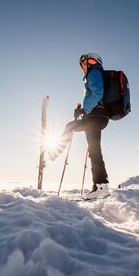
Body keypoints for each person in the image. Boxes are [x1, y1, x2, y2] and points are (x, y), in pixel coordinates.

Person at [50, 53, 110, 200]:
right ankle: (101, 186)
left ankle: (53, 152)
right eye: (82, 65)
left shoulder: (94, 72)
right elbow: (96, 96)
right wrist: (85, 111)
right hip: (98, 118)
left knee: (70, 126)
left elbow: (98, 93)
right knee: (95, 151)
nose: (83, 67)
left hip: (96, 118)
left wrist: (84, 110)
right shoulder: (96, 73)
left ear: (91, 62)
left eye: (84, 63)